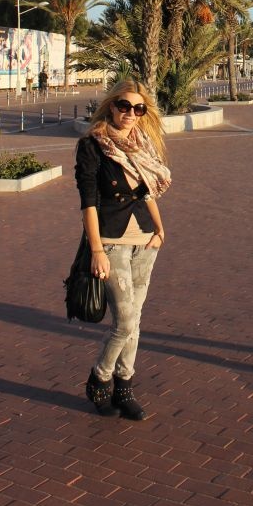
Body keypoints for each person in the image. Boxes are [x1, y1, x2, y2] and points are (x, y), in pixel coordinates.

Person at [74, 79, 171, 418]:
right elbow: (88, 201)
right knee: (125, 320)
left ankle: (124, 387)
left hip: (144, 240)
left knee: (136, 319)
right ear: (111, 107)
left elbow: (147, 193)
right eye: (124, 106)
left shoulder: (142, 144)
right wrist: (97, 250)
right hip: (111, 241)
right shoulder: (93, 145)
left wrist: (160, 229)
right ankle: (99, 378)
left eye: (138, 108)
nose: (130, 113)